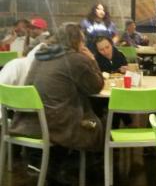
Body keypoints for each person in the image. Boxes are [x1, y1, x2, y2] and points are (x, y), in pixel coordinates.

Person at [10, 22, 104, 152]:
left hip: (30, 122)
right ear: (77, 41)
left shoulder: (41, 56)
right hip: (59, 126)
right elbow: (96, 86)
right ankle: (85, 166)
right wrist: (92, 59)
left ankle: (57, 161)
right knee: (97, 124)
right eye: (82, 41)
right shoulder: (76, 58)